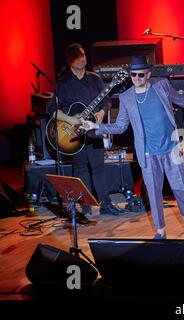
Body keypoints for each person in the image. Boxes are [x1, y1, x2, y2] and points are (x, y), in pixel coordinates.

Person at [80, 55, 184, 244]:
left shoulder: (162, 85)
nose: (136, 78)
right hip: (149, 154)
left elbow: (183, 100)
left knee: (181, 189)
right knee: (154, 193)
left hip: (171, 149)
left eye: (140, 75)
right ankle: (160, 232)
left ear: (148, 73)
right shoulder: (126, 98)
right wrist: (96, 128)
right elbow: (120, 127)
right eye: (133, 75)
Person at [47, 43, 126, 216]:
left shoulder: (95, 78)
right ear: (70, 61)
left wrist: (102, 112)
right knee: (80, 168)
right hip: (74, 134)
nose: (83, 58)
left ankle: (105, 204)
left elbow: (107, 100)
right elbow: (51, 109)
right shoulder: (63, 83)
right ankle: (84, 204)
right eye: (78, 56)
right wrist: (70, 119)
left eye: (83, 55)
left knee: (99, 167)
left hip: (93, 130)